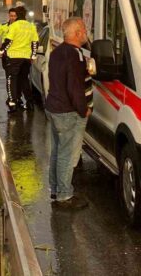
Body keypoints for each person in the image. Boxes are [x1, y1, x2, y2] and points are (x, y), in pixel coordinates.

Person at [45, 17, 92, 209]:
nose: (86, 33)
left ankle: (56, 189)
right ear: (77, 33)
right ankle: (65, 195)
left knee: (57, 151)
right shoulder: (75, 55)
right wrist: (84, 109)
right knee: (67, 154)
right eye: (84, 29)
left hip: (54, 108)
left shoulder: (57, 52)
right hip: (68, 112)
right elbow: (74, 86)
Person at [0, 6, 38, 113]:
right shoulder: (31, 26)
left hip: (14, 57)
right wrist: (33, 56)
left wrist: (1, 51)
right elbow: (35, 42)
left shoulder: (14, 26)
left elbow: (9, 41)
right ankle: (30, 103)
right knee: (24, 80)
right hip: (26, 58)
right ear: (24, 15)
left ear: (17, 15)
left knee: (11, 80)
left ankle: (13, 103)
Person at [0, 8, 18, 104]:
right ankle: (12, 98)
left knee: (18, 78)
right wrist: (1, 48)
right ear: (8, 16)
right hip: (7, 56)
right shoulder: (3, 26)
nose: (13, 18)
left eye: (15, 16)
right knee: (10, 78)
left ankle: (16, 98)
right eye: (11, 16)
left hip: (19, 55)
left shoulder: (22, 27)